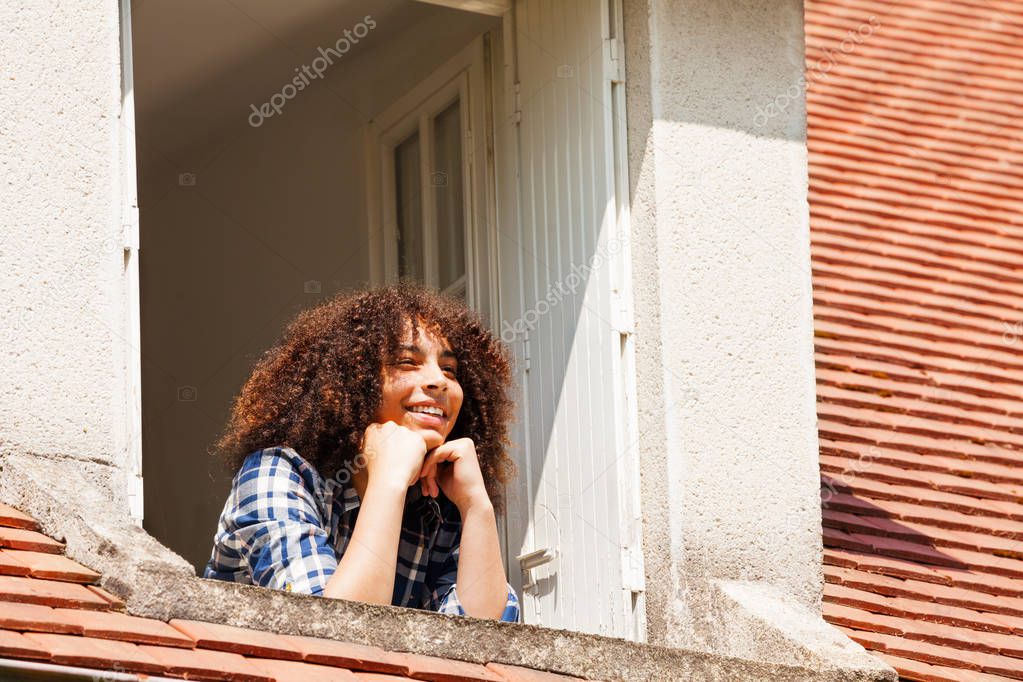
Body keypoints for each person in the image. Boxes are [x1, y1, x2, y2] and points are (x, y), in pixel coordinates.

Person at [203, 282, 519, 621]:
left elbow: (486, 642)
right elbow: (335, 634)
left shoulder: (439, 501)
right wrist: (389, 481)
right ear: (351, 382)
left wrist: (476, 507)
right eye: (407, 362)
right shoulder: (276, 474)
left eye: (449, 370)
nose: (439, 382)